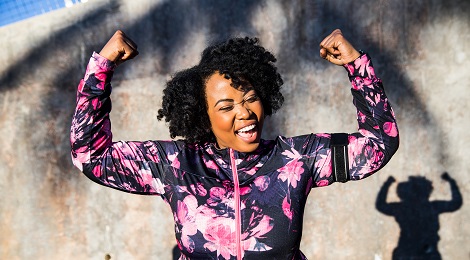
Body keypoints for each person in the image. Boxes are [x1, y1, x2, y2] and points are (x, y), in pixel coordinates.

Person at [70, 29, 399, 259]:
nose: (245, 113)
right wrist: (101, 68)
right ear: (204, 115)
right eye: (226, 107)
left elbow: (378, 143)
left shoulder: (296, 158)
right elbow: (90, 154)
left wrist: (358, 67)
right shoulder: (174, 165)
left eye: (251, 98)